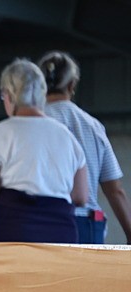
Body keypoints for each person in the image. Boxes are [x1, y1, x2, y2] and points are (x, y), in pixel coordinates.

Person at [0, 59, 88, 243]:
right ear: (42, 94)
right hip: (59, 234)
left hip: (10, 231)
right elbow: (80, 196)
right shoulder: (67, 137)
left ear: (9, 95)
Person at [39, 50, 131, 244]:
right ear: (72, 85)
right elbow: (115, 190)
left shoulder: (31, 124)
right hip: (88, 225)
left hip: (45, 222)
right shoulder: (93, 126)